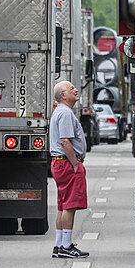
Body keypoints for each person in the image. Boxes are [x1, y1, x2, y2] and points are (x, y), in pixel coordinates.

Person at [49, 80, 90, 258]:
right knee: (70, 206)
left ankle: (59, 245)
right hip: (66, 163)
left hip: (60, 162)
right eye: (71, 88)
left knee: (62, 206)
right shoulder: (65, 113)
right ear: (63, 95)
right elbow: (65, 141)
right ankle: (66, 246)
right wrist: (75, 163)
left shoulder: (60, 111)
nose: (75, 90)